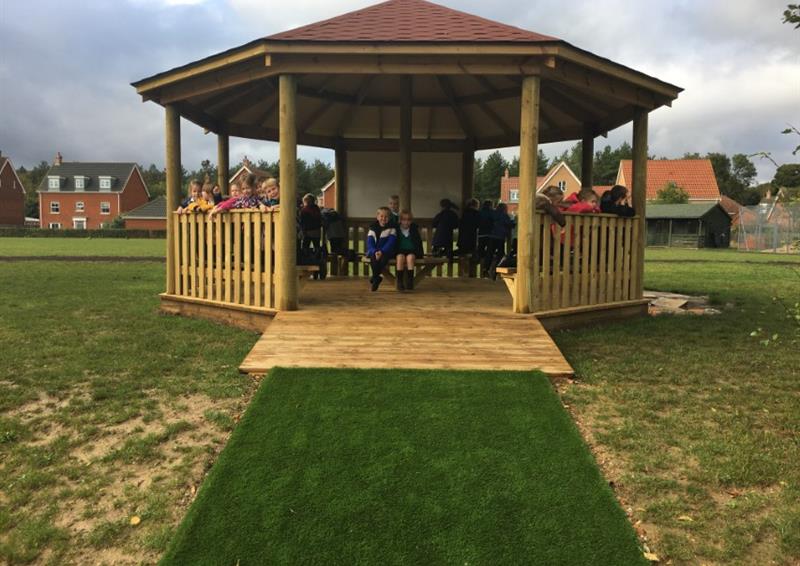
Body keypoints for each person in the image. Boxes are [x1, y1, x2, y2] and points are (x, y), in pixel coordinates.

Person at [366, 207, 397, 292]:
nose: (384, 218)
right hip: (374, 251)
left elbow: (391, 242)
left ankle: (375, 277)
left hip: (387, 251)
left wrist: (382, 251)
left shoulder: (392, 228)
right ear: (377, 217)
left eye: (386, 217)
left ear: (389, 218)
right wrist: (375, 251)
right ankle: (377, 277)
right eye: (382, 216)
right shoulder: (372, 228)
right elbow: (370, 242)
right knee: (373, 258)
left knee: (383, 259)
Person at [394, 210, 424, 292]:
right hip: (399, 250)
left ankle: (410, 281)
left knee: (410, 258)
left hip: (411, 250)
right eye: (404, 219)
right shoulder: (396, 229)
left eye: (408, 220)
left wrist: (420, 253)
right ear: (400, 220)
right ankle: (399, 281)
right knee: (400, 258)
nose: (406, 222)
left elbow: (418, 242)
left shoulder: (414, 229)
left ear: (411, 221)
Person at [483, 202, 514, 279]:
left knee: (489, 253)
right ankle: (496, 270)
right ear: (504, 209)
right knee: (500, 254)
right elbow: (509, 223)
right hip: (500, 237)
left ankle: (485, 269)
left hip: (492, 236)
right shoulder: (504, 215)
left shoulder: (493, 214)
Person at [476, 199, 495, 267]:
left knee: (480, 249)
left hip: (481, 234)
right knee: (489, 251)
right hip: (490, 234)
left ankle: (478, 260)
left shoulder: (479, 212)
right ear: (491, 205)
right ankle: (486, 266)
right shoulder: (492, 212)